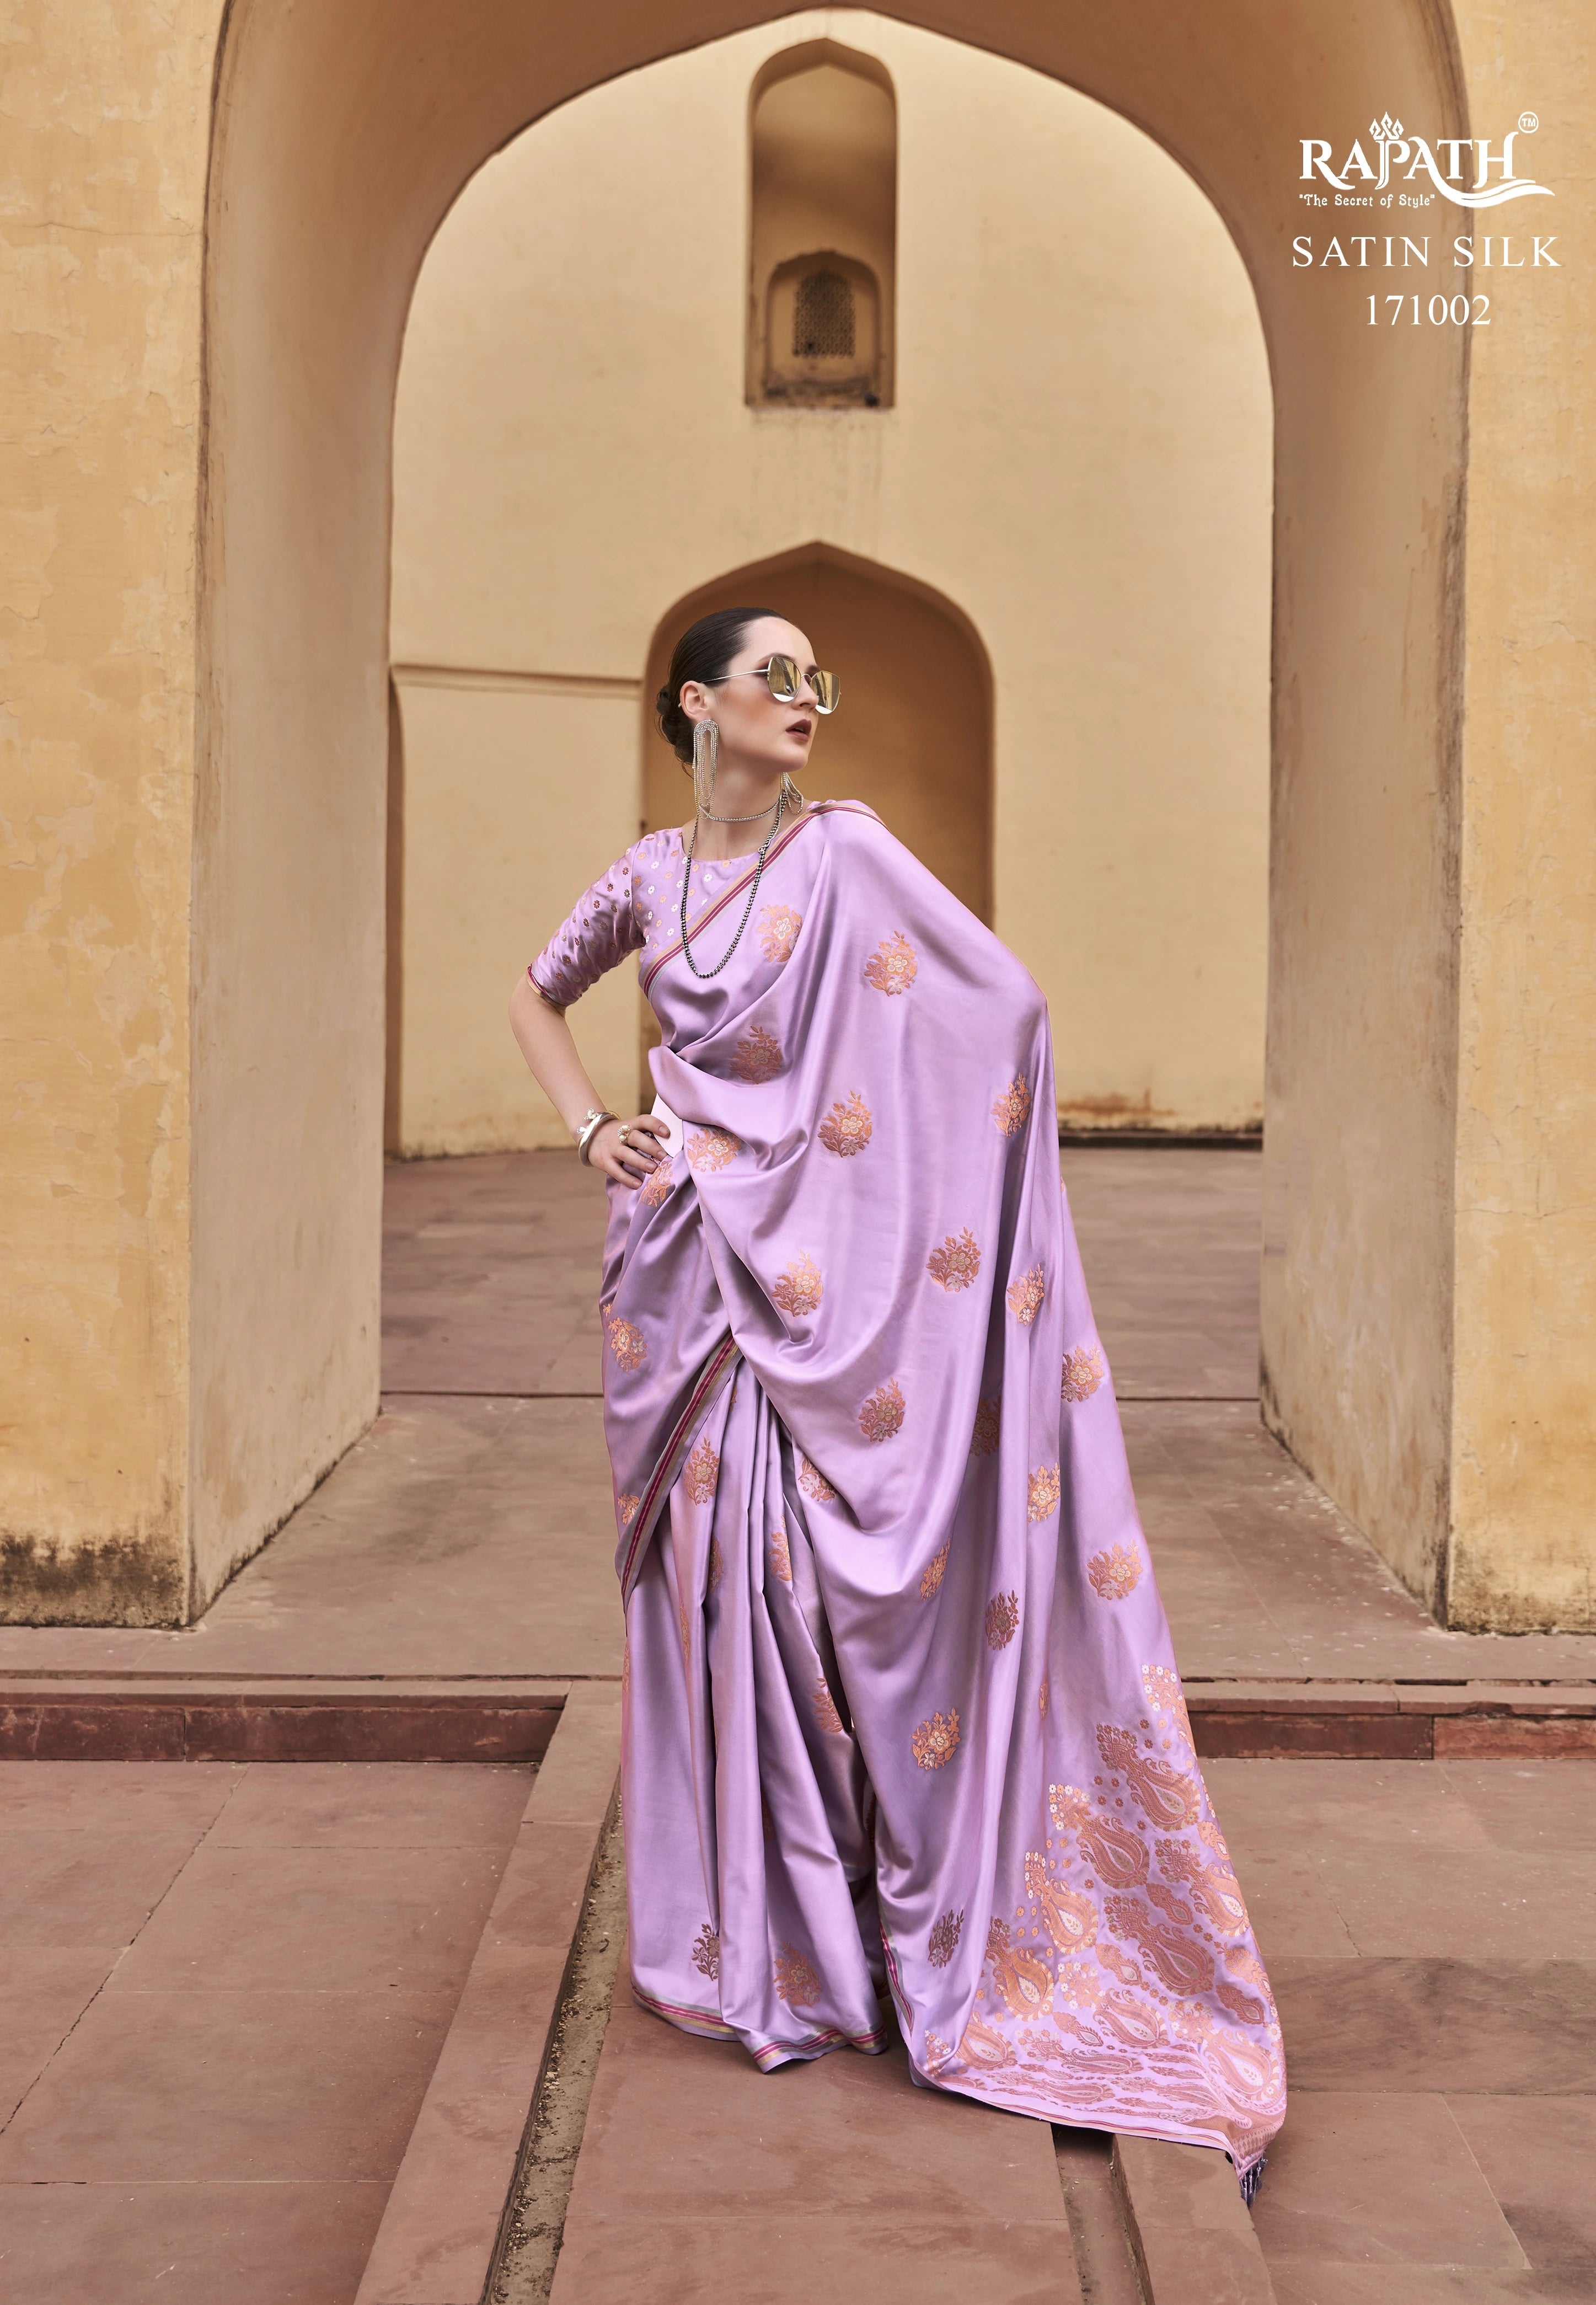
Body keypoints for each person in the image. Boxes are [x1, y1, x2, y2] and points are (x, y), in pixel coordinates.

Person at [510, 606, 1284, 2195]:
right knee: (731, 1599)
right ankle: (782, 1946)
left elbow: (999, 1002)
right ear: (697, 704)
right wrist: (597, 1127)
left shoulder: (847, 853)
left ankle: (891, 1924)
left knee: (817, 1598)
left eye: (817, 681)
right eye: (773, 677)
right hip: (687, 1285)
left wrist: (927, 1200)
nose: (804, 702)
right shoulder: (647, 879)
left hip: (822, 1279)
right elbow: (537, 992)